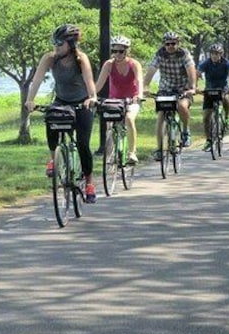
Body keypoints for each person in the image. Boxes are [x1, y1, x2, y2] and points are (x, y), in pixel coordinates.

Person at [25, 24, 99, 203]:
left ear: (71, 44)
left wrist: (92, 98)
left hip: (82, 102)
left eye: (60, 43)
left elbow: (89, 82)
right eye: (54, 43)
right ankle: (53, 158)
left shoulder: (81, 59)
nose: (56, 47)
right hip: (61, 101)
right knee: (51, 119)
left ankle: (89, 183)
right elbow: (36, 80)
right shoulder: (50, 58)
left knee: (82, 144)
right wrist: (30, 100)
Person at [143, 31, 196, 157]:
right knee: (161, 115)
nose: (170, 46)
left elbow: (191, 70)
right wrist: (145, 87)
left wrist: (192, 87)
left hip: (183, 88)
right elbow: (151, 70)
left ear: (178, 43)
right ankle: (160, 149)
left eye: (173, 43)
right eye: (168, 44)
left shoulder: (184, 54)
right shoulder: (160, 54)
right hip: (165, 89)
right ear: (164, 45)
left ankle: (185, 132)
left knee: (182, 106)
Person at [94, 35, 145, 164]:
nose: (117, 54)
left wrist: (139, 95)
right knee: (110, 124)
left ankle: (132, 152)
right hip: (115, 100)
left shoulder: (134, 64)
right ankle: (110, 154)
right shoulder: (109, 64)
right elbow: (99, 84)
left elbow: (139, 80)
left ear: (126, 51)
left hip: (131, 99)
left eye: (121, 51)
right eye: (114, 51)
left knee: (129, 118)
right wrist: (91, 96)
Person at [196, 43, 229, 152]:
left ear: (221, 54)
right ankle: (208, 140)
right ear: (210, 54)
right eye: (213, 53)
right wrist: (195, 86)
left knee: (225, 98)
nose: (215, 56)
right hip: (209, 90)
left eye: (217, 54)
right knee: (206, 117)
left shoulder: (227, 63)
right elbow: (197, 73)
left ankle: (227, 118)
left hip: (222, 89)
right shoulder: (206, 63)